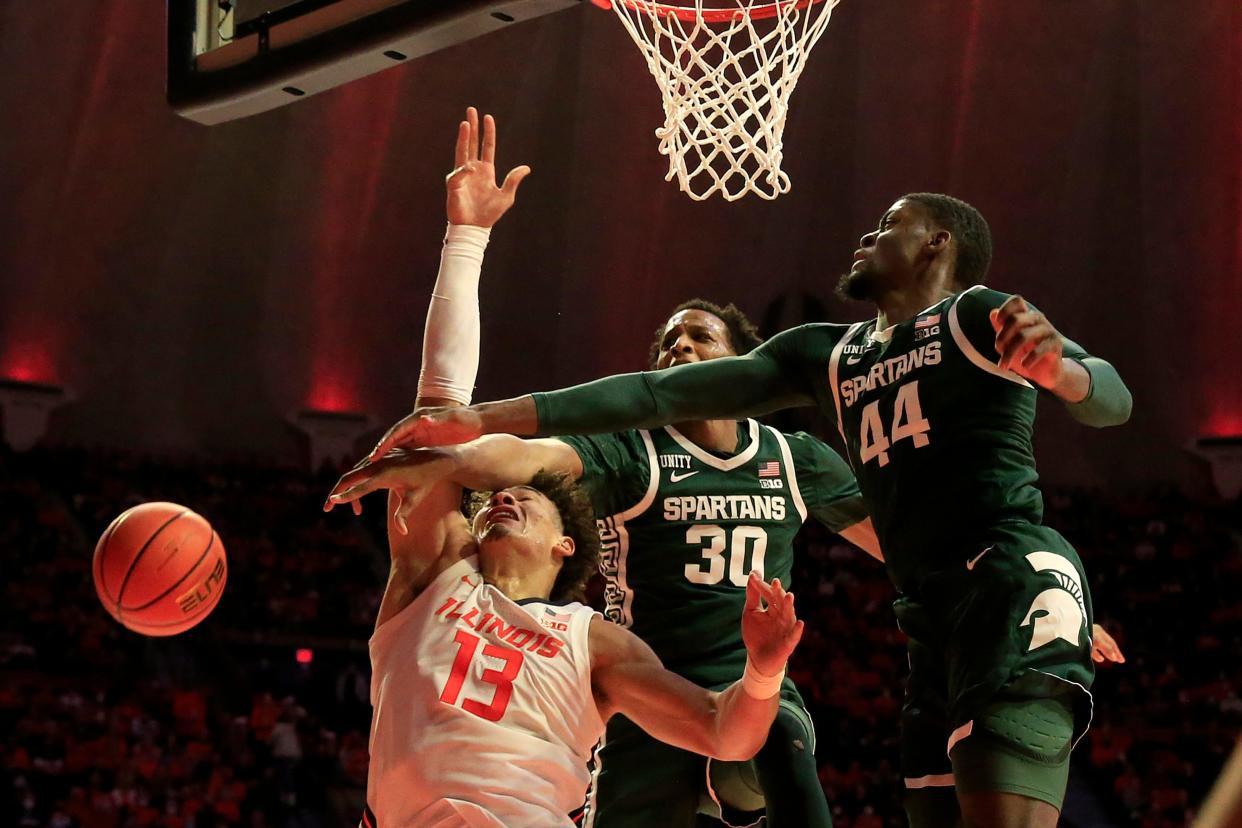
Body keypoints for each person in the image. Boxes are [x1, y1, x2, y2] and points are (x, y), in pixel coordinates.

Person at [359, 193, 1133, 828]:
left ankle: (735, 786)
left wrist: (1063, 376)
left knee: (783, 749)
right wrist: (472, 427)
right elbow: (624, 407)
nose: (866, 231)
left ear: (936, 244)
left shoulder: (964, 325)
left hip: (879, 630)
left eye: (890, 223)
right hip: (682, 672)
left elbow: (1109, 395)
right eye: (669, 340)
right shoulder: (808, 364)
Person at [334, 106, 875, 828]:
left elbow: (727, 722)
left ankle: (744, 800)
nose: (505, 500)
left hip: (726, 694)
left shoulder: (591, 640)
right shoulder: (438, 575)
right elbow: (458, 416)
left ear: (568, 545)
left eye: (697, 341)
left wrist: (769, 665)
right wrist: (466, 240)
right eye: (667, 347)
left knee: (769, 742)